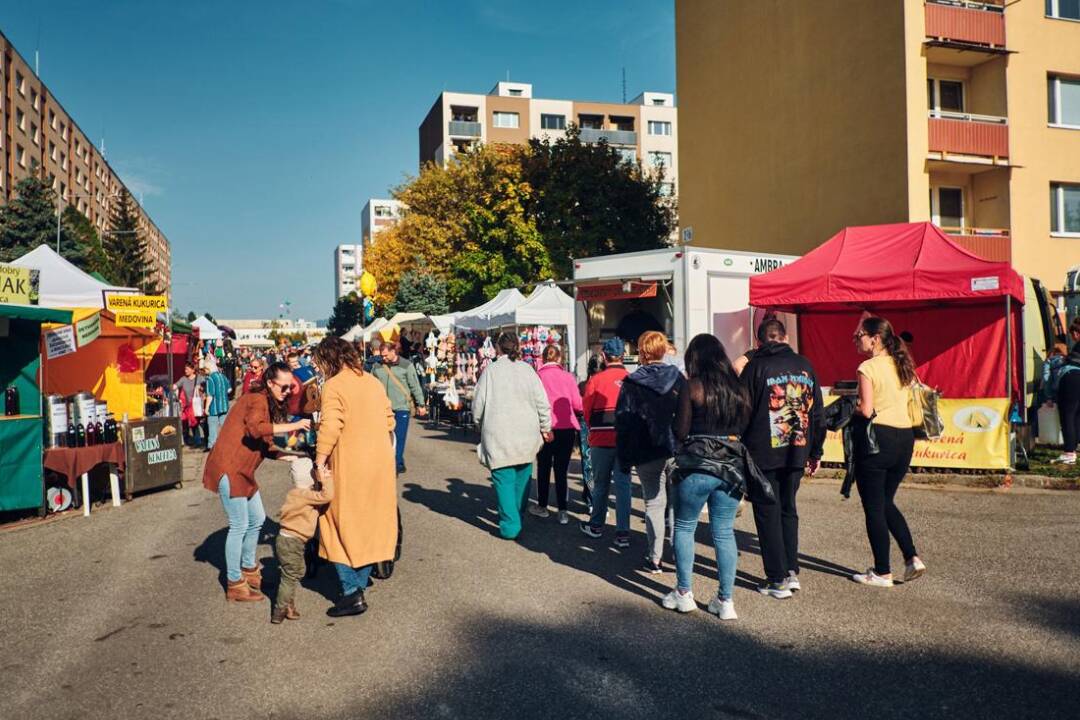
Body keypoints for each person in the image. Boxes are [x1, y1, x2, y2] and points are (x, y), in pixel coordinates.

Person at [202, 362, 311, 602]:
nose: (287, 392)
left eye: (290, 387)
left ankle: (249, 570)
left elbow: (266, 444)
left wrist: (295, 456)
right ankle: (234, 582)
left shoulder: (267, 401)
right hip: (230, 469)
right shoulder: (257, 399)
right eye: (283, 388)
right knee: (239, 525)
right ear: (270, 383)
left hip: (243, 471)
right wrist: (295, 425)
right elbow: (255, 429)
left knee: (258, 519)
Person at [663, 334, 753, 620]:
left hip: (697, 464)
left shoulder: (692, 387)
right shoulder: (740, 389)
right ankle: (725, 601)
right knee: (724, 532)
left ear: (695, 359)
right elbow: (745, 428)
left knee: (686, 526)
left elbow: (680, 430)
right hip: (731, 467)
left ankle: (684, 593)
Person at [310, 337, 398, 618]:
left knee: (336, 522)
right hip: (379, 463)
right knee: (369, 523)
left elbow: (331, 426)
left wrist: (319, 460)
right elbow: (389, 420)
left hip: (349, 464)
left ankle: (351, 592)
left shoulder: (334, 386)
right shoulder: (371, 382)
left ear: (329, 359)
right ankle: (357, 586)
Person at [740, 318, 825, 598]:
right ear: (786, 337)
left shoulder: (754, 367)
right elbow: (817, 414)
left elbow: (742, 412)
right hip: (797, 451)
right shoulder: (805, 365)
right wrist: (816, 451)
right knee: (788, 508)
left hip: (763, 453)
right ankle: (791, 570)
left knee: (767, 512)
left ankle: (776, 579)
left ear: (759, 341)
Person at [851, 316, 927, 587]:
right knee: (885, 501)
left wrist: (852, 408)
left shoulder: (867, 367)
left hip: (878, 439)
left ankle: (882, 571)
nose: (856, 339)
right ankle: (911, 557)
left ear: (875, 338)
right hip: (904, 438)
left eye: (859, 335)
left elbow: (867, 410)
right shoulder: (903, 364)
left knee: (874, 506)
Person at [615, 331, 686, 573]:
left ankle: (655, 557)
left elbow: (623, 422)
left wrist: (624, 458)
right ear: (664, 349)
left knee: (654, 504)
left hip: (645, 450)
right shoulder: (678, 378)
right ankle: (679, 553)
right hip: (675, 447)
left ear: (641, 351)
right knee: (677, 504)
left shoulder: (632, 382)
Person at [473, 332, 552, 540]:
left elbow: (477, 405)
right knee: (522, 476)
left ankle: (510, 524)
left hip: (499, 433)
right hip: (526, 433)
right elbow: (542, 402)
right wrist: (545, 426)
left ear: (498, 348)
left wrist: (479, 424)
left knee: (504, 479)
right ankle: (516, 515)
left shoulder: (490, 371)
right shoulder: (528, 370)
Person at [579, 338, 632, 547]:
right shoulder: (631, 379)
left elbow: (587, 411)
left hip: (601, 439)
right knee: (624, 485)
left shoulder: (596, 380)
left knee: (601, 484)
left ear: (604, 356)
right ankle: (623, 533)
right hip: (624, 440)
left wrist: (594, 428)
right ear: (623, 355)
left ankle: (597, 526)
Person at [272, 458, 334, 624]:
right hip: (293, 541)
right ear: (311, 477)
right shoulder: (306, 495)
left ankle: (289, 606)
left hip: (286, 540)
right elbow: (327, 496)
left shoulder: (295, 493)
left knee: (295, 573)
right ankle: (280, 609)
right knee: (290, 576)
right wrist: (326, 478)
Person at [530, 344, 583, 524]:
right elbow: (577, 405)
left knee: (543, 467)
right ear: (560, 358)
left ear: (543, 359)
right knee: (561, 470)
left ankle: (542, 506)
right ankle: (563, 511)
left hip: (545, 428)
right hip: (567, 427)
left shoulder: (537, 377)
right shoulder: (568, 377)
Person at [372, 341, 428, 474]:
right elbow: (371, 385)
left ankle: (396, 463)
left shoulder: (406, 365)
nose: (383, 358)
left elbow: (414, 385)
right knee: (384, 437)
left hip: (402, 406)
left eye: (385, 355)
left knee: (399, 436)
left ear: (393, 352)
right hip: (383, 408)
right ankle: (392, 461)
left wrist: (421, 404)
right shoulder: (377, 366)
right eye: (382, 355)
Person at [577, 353, 606, 510]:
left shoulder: (582, 385)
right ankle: (594, 501)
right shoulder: (587, 385)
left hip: (587, 425)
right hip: (596, 425)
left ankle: (590, 496)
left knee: (588, 463)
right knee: (592, 465)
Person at [1049, 319, 1080, 465]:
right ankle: (1074, 447)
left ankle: (1069, 452)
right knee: (1077, 414)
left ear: (1076, 333)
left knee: (1067, 414)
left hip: (1071, 379)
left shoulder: (1077, 347)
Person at [175, 362, 206, 448]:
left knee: (202, 423)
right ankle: (198, 441)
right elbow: (176, 385)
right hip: (189, 406)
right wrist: (169, 387)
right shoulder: (183, 379)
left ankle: (207, 440)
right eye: (185, 369)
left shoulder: (200, 378)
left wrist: (201, 388)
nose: (185, 371)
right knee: (194, 423)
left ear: (193, 370)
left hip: (199, 405)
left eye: (187, 369)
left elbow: (206, 386)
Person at [203, 356, 231, 451]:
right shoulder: (223, 376)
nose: (204, 371)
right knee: (225, 427)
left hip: (213, 407)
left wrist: (206, 409)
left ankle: (212, 446)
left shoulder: (209, 379)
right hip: (224, 405)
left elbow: (210, 395)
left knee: (212, 426)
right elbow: (229, 390)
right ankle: (228, 443)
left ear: (209, 368)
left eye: (205, 369)